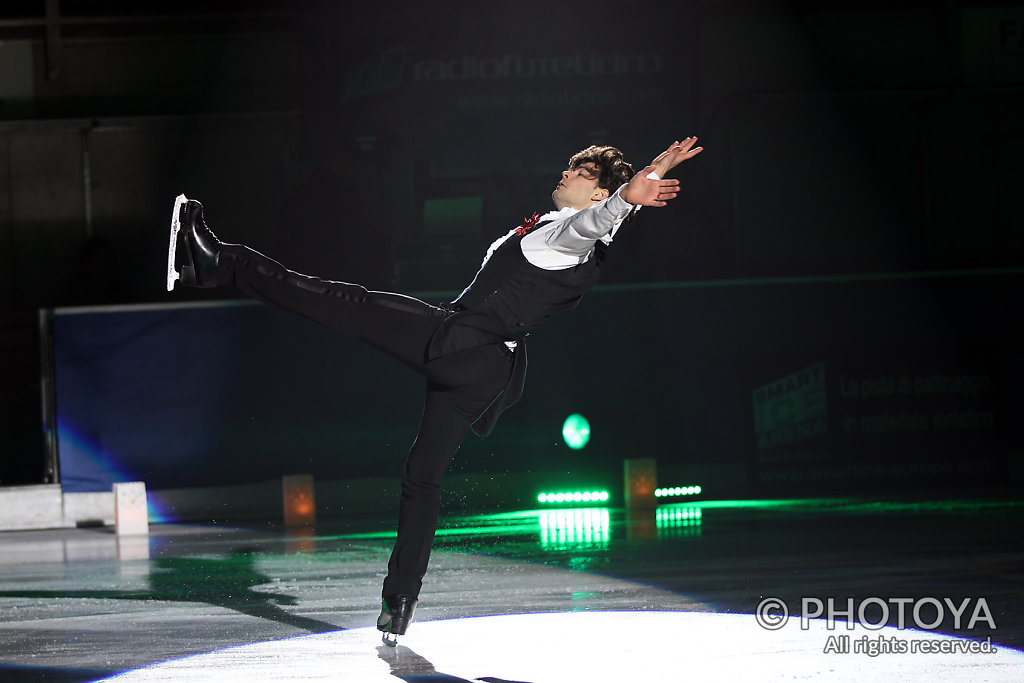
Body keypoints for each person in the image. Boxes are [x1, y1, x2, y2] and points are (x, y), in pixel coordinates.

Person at [167, 137, 703, 644]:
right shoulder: (584, 239)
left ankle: (215, 262)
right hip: (486, 367)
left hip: (464, 344)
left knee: (344, 302)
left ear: (597, 192)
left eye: (580, 172)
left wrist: (624, 198)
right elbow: (605, 221)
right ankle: (399, 604)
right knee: (421, 479)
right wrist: (649, 176)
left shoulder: (567, 233)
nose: (565, 173)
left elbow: (592, 222)